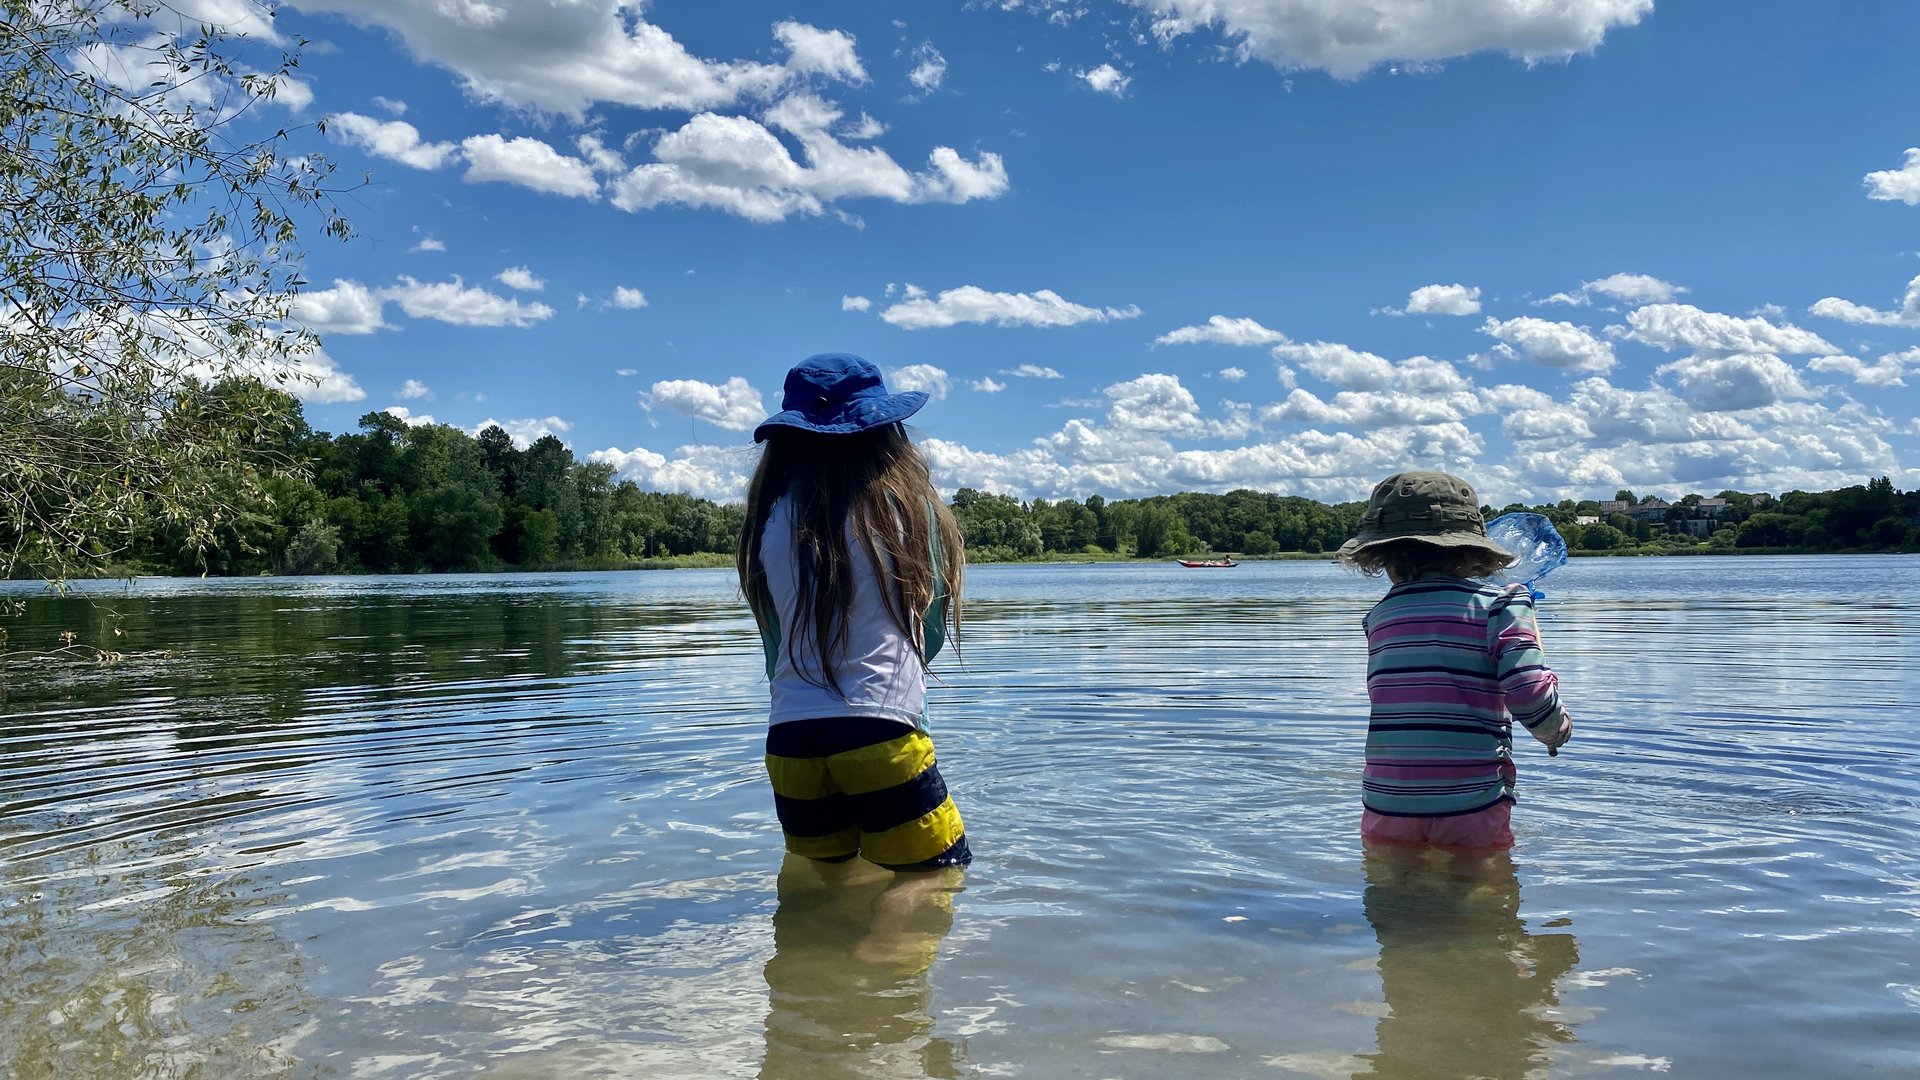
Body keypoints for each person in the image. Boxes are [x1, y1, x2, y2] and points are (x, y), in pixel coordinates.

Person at [737, 353, 972, 871]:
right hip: (879, 730)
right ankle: (874, 955)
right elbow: (925, 633)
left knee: (826, 884)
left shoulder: (770, 523)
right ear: (884, 433)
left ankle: (818, 951)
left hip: (791, 739)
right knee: (935, 879)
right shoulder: (905, 508)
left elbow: (773, 647)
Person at [1336, 470, 1573, 851]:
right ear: (1474, 552)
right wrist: (1556, 730)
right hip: (1471, 801)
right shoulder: (1502, 605)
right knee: (1482, 893)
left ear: (1380, 555)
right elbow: (1529, 694)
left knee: (1391, 894)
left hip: (1387, 801)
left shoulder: (1379, 616)